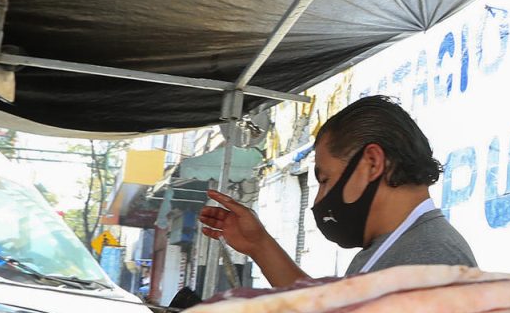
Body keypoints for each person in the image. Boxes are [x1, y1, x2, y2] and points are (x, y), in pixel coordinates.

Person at [198, 95, 476, 288]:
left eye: (325, 180)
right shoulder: (396, 248)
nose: (319, 200)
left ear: (372, 163)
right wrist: (258, 244)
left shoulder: (429, 263)